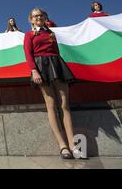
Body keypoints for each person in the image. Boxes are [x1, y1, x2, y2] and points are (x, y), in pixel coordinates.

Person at [23, 8, 79, 159]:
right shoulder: (28, 35)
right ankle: (63, 146)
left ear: (45, 17)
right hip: (41, 67)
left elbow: (57, 51)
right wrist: (34, 70)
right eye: (35, 16)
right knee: (51, 104)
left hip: (57, 64)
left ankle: (73, 145)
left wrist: (60, 65)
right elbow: (28, 54)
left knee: (65, 104)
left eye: (41, 15)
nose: (38, 17)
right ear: (31, 19)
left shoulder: (51, 33)